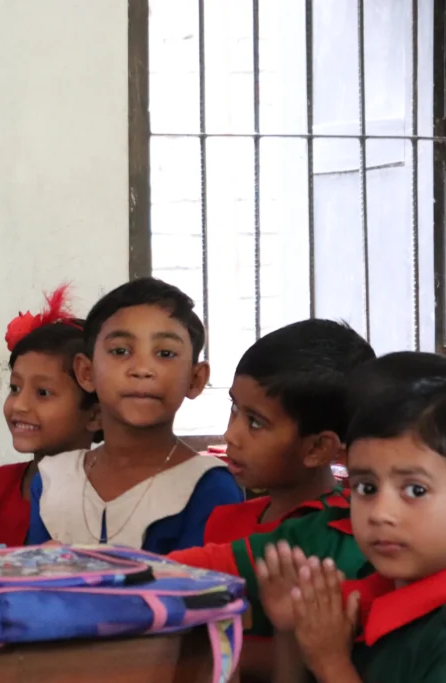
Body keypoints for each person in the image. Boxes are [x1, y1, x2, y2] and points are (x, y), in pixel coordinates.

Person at [27, 277, 242, 552]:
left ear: (195, 379)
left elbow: (204, 580)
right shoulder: (54, 479)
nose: (141, 369)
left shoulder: (209, 486)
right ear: (86, 372)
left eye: (165, 353)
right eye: (120, 351)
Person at [257, 377, 446, 683]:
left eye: (416, 490)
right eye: (366, 488)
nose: (380, 513)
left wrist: (331, 663)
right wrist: (292, 630)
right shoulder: (370, 592)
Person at [204, 319, 374, 544]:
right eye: (235, 408)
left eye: (256, 423)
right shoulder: (226, 522)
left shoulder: (346, 537)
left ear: (317, 448)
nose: (230, 435)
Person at [0, 285, 100, 546]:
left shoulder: (108, 497)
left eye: (43, 392)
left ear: (95, 415)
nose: (19, 405)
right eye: (15, 388)